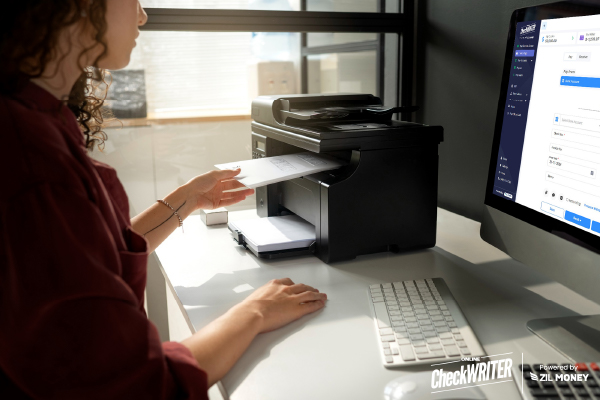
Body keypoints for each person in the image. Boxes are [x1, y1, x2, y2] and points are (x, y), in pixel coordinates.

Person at [0, 1, 327, 398]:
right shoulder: (34, 161)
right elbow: (134, 383)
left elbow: (92, 254)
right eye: (134, 0)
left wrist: (187, 199)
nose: (142, 16)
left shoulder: (39, 118)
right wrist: (254, 312)